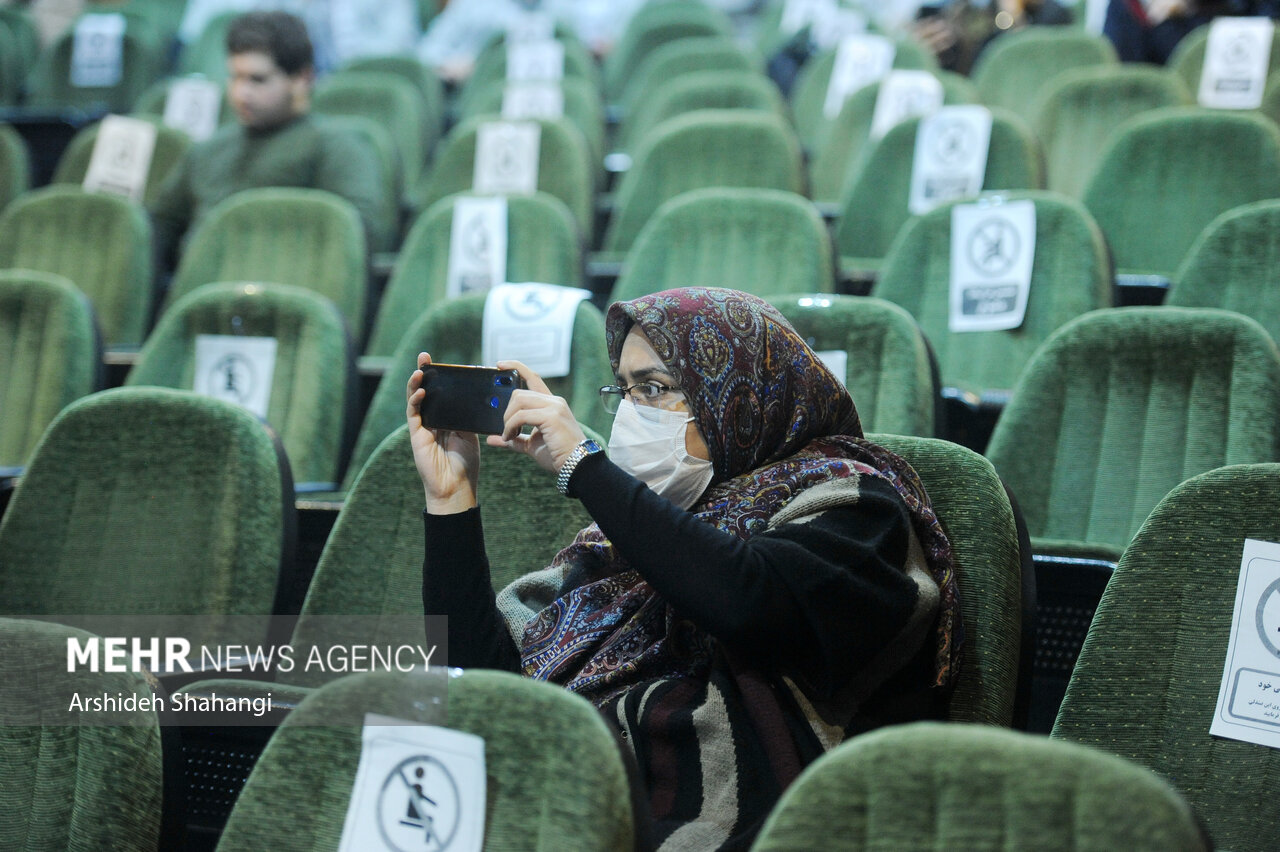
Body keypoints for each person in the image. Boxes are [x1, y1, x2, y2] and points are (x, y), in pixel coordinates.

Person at [408, 287, 963, 850]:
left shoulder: (858, 507)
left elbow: (747, 599)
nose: (629, 414)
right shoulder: (619, 544)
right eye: (623, 391)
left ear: (740, 398)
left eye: (654, 389)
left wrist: (584, 467)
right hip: (558, 802)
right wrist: (451, 498)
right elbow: (476, 685)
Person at [149, 10, 383, 267]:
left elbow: (353, 239)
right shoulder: (208, 150)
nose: (241, 93)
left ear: (302, 79)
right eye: (235, 77)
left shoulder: (336, 145)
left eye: (257, 80)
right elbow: (158, 230)